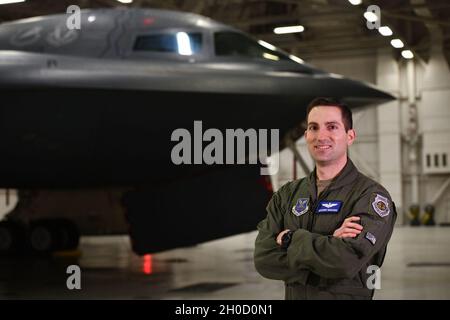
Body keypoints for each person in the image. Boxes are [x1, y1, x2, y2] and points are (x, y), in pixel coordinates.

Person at [254, 97, 397, 300]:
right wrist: (328, 249)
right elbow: (263, 259)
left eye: (332, 127)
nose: (321, 136)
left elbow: (345, 261)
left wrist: (290, 239)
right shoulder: (287, 195)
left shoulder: (370, 196)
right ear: (306, 135)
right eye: (314, 127)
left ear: (350, 136)